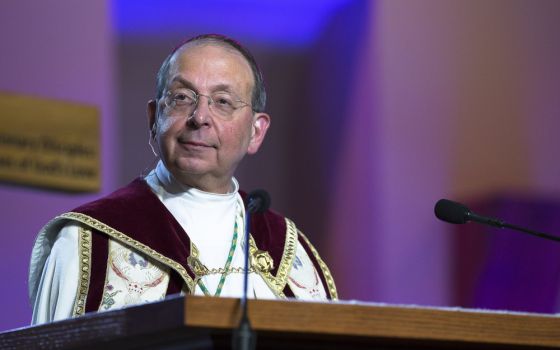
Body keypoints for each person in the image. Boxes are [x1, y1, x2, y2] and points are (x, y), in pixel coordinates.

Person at [29, 34, 337, 325]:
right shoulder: (88, 241)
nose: (199, 116)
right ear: (154, 118)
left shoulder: (290, 248)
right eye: (182, 97)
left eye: (223, 101)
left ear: (256, 132)